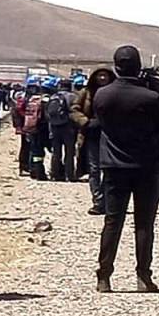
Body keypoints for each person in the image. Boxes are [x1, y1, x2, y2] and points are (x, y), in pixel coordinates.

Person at [93, 45, 159, 293]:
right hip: (146, 165)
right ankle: (143, 276)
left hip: (114, 165)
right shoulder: (150, 98)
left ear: (115, 66)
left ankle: (104, 276)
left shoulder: (102, 95)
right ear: (138, 66)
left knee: (112, 221)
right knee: (144, 223)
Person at [70, 67, 117, 215]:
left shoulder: (115, 92)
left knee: (109, 169)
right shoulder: (86, 92)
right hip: (91, 134)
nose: (102, 78)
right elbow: (74, 109)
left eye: (105, 76)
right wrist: (85, 122)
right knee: (94, 169)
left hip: (110, 135)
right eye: (100, 76)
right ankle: (98, 201)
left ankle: (105, 200)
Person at [46, 78, 78, 182]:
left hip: (55, 127)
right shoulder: (73, 97)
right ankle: (69, 175)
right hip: (68, 128)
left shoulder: (53, 97)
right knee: (69, 153)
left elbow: (48, 114)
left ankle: (54, 174)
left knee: (56, 152)